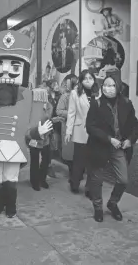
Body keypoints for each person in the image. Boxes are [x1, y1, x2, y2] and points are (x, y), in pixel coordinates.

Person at [0, 30, 51, 219]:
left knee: (10, 178)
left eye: (14, 66)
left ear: (24, 69)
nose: (5, 71)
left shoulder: (31, 95)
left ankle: (11, 207)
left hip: (14, 146)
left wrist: (38, 131)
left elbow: (33, 124)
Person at [86, 73, 138, 222]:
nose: (108, 88)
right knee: (97, 179)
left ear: (118, 87)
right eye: (105, 85)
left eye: (112, 85)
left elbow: (135, 125)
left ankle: (112, 203)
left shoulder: (127, 103)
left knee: (123, 180)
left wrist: (130, 140)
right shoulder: (96, 104)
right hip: (100, 146)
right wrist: (109, 139)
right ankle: (97, 207)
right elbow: (90, 127)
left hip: (120, 147)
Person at [65, 69, 99, 197]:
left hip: (95, 133)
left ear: (94, 80)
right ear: (81, 80)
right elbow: (71, 113)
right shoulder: (75, 93)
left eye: (90, 78)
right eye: (85, 78)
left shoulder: (99, 93)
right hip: (80, 130)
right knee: (79, 160)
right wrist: (68, 131)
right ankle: (74, 183)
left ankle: (89, 188)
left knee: (92, 161)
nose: (88, 81)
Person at [56, 75, 78, 182]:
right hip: (68, 127)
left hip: (79, 129)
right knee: (70, 154)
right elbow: (59, 111)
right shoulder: (65, 97)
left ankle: (76, 174)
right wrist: (72, 113)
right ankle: (72, 175)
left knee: (78, 153)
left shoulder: (81, 96)